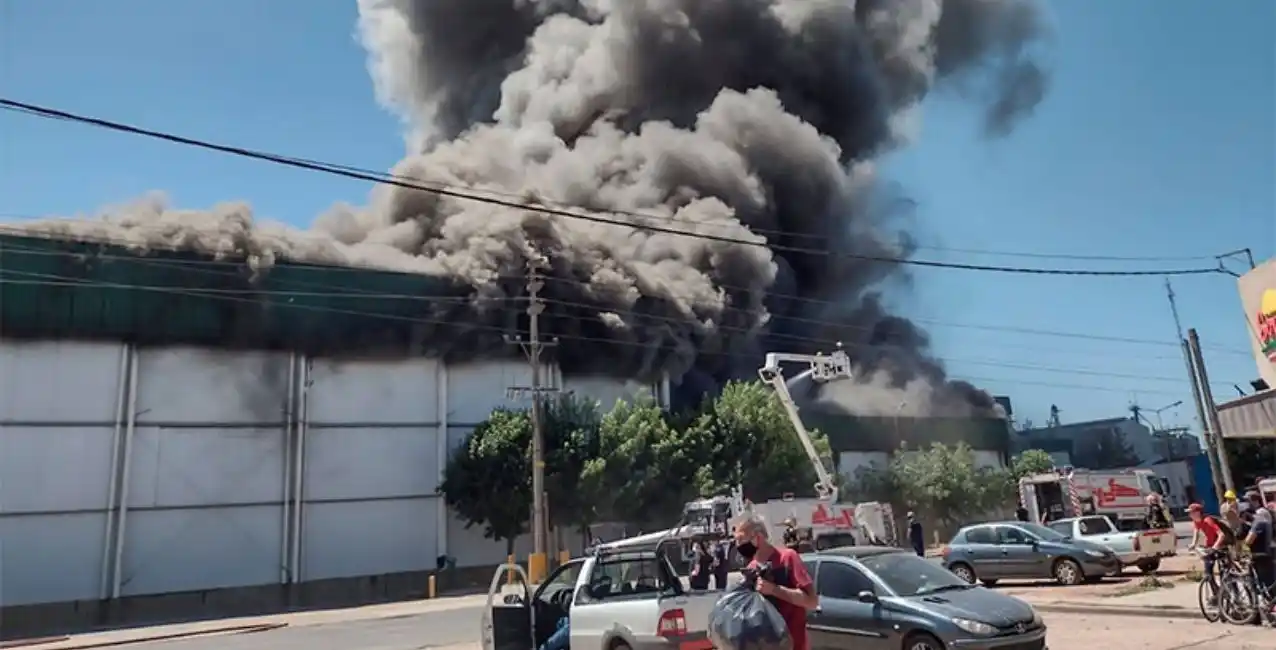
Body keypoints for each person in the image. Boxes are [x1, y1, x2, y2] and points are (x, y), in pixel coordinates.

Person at [734, 514, 819, 650]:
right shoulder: (751, 569)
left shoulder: (788, 558)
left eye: (741, 539)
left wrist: (774, 590)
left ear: (758, 537)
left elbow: (811, 601)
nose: (738, 546)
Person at [1187, 503, 1233, 582]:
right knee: (1208, 570)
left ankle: (1233, 590)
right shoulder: (1197, 521)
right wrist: (1193, 544)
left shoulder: (1208, 520)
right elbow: (1196, 531)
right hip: (1210, 546)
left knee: (1226, 572)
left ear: (1198, 513)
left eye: (1191, 512)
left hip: (1221, 545)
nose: (1189, 515)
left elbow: (1221, 535)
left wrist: (1215, 547)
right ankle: (1216, 590)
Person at [1242, 491, 1274, 597]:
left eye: (1248, 501)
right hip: (1268, 552)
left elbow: (1249, 540)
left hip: (1260, 554)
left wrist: (1243, 546)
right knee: (1268, 581)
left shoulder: (1260, 518)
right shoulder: (1265, 514)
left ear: (1255, 501)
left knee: (1266, 583)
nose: (1247, 504)